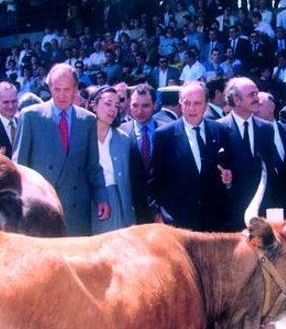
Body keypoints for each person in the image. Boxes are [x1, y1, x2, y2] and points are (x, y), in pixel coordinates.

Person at [15, 63, 110, 236]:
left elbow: (93, 167)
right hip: (42, 208)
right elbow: (19, 167)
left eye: (67, 89)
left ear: (75, 89)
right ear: (49, 87)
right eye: (56, 89)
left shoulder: (88, 120)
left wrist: (101, 197)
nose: (61, 95)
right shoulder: (30, 116)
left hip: (77, 210)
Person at [147, 82, 230, 232]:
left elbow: (229, 172)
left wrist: (229, 179)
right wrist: (157, 216)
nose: (192, 108)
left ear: (206, 104)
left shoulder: (221, 131)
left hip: (215, 224)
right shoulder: (164, 135)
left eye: (197, 103)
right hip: (179, 225)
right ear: (180, 103)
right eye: (187, 103)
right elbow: (154, 183)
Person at [215, 77, 279, 231]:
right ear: (236, 100)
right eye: (251, 95)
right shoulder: (218, 128)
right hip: (231, 214)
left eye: (256, 93)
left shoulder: (266, 129)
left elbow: (270, 172)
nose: (257, 98)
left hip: (261, 212)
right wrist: (227, 181)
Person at [88, 86, 141, 234]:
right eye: (108, 104)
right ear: (94, 106)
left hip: (118, 199)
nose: (113, 109)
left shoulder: (123, 138)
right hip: (90, 201)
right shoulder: (82, 135)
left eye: (117, 106)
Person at [256, 92, 286, 221]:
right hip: (265, 209)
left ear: (272, 107)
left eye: (259, 104)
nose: (255, 108)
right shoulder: (252, 136)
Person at [118, 83, 157, 224]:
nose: (139, 111)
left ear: (154, 105)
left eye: (145, 106)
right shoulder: (120, 132)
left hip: (161, 212)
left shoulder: (167, 131)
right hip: (131, 211)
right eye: (135, 105)